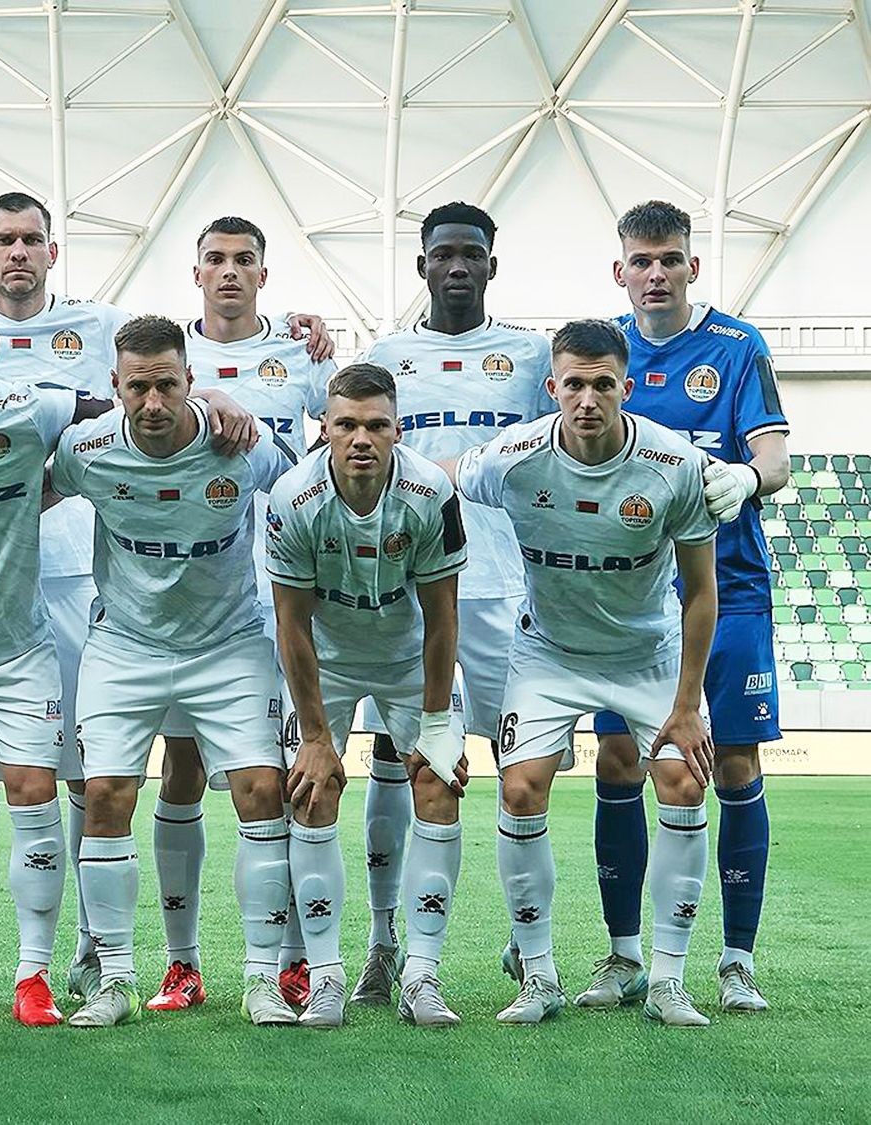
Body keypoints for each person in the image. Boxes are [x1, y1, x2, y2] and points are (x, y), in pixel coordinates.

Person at [0, 192, 331, 1004]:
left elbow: (294, 477)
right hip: (24, 611)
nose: (151, 403)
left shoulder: (116, 337)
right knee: (17, 784)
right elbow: (22, 483)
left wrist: (268, 355)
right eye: (3, 240)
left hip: (182, 622)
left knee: (193, 789)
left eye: (32, 239)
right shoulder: (12, 390)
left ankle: (213, 968)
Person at [452, 318, 719, 1027]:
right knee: (519, 788)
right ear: (553, 387)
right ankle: (538, 976)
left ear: (626, 388)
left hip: (647, 654)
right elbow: (447, 472)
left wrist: (687, 704)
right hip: (549, 653)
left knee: (684, 781)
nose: (588, 399)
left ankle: (668, 981)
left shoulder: (674, 465)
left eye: (604, 384)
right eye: (574, 384)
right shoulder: (513, 457)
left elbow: (701, 591)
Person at [48, 315, 298, 1029]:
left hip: (227, 645)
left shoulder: (240, 444)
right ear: (114, 387)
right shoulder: (86, 450)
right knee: (104, 795)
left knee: (261, 791)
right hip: (124, 645)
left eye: (167, 385)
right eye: (138, 388)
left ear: (191, 380)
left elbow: (308, 485)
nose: (153, 403)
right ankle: (114, 978)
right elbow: (21, 496)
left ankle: (262, 978)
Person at [579, 200, 790, 1014]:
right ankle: (625, 955)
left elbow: (774, 458)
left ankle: (736, 961)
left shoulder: (737, 347)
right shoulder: (602, 348)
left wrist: (748, 476)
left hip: (728, 589)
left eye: (670, 258)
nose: (656, 273)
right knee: (618, 761)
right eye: (642, 260)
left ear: (692, 266)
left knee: (732, 763)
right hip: (627, 601)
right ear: (620, 271)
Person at [353, 200, 552, 1004]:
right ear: (423, 266)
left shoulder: (533, 356)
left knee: (519, 768)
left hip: (505, 588)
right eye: (444, 254)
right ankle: (382, 943)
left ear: (491, 266)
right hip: (405, 593)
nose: (458, 266)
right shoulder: (386, 355)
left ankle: (528, 947)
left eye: (472, 254)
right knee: (396, 762)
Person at [146, 215, 336, 1014]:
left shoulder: (302, 354)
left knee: (288, 775)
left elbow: (344, 432)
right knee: (183, 767)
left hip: (288, 596)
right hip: (198, 600)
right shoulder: (166, 360)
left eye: (243, 260)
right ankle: (182, 962)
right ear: (195, 274)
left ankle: (294, 960)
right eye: (215, 260)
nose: (229, 271)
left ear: (264, 272)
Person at [266, 362, 471, 1027]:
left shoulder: (431, 490)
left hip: (409, 658)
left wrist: (436, 723)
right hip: (326, 658)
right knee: (312, 789)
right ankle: (325, 977)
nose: (361, 438)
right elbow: (291, 625)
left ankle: (421, 975)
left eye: (377, 425)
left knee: (438, 782)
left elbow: (443, 616)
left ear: (397, 430)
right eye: (347, 424)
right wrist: (315, 737)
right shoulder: (293, 497)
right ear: (324, 428)